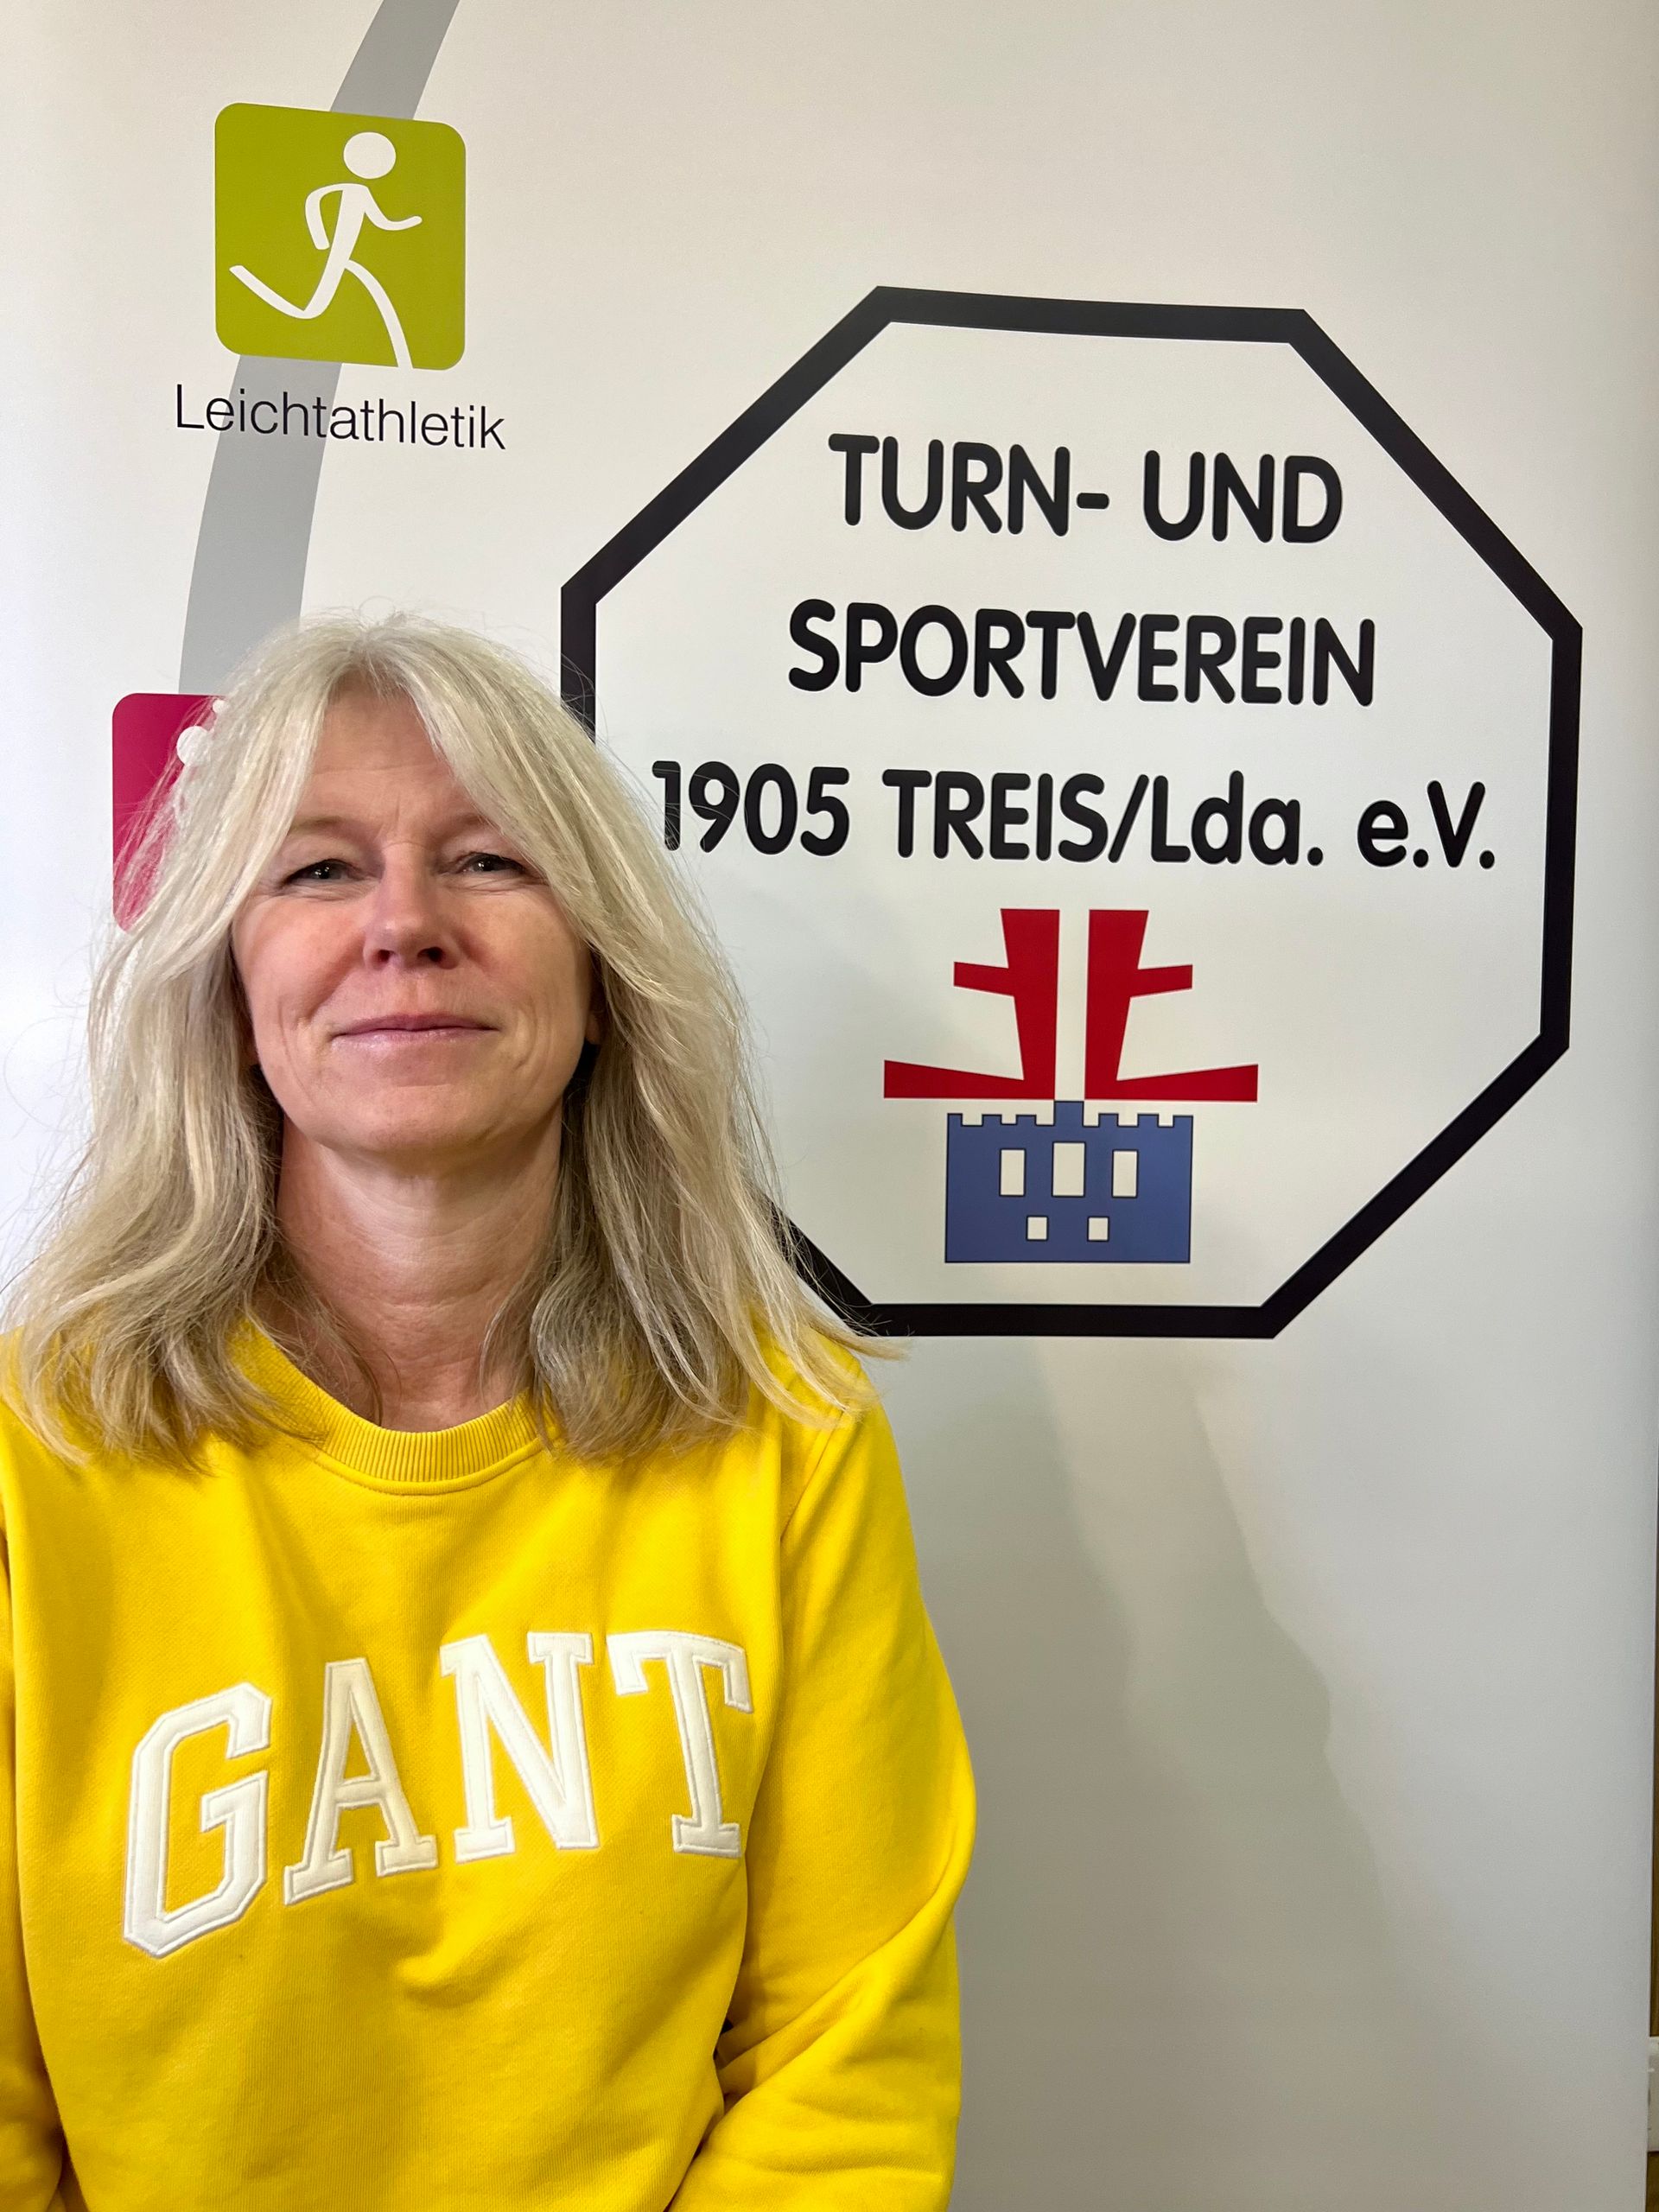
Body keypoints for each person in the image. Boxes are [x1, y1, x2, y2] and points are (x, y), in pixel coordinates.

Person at [0, 613, 976, 2210]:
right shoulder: (33, 1455)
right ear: (227, 988)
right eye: (319, 869)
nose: (405, 925)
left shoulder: (789, 1437)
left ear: (602, 985)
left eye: (489, 861)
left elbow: (844, 2064)